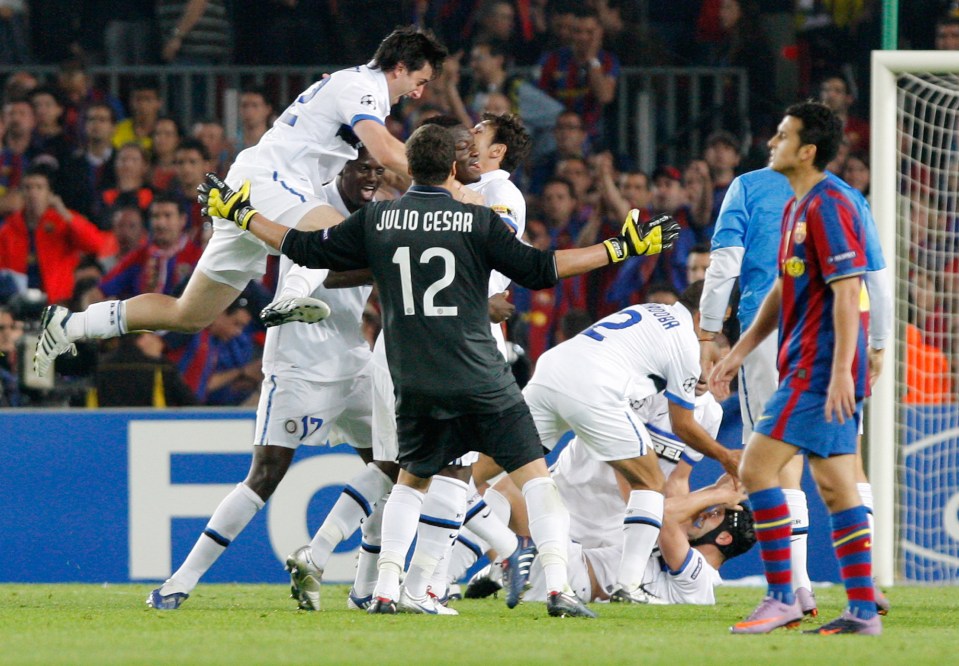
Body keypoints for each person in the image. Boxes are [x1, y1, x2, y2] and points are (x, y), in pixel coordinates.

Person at [198, 123, 679, 618]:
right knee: (536, 479)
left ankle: (386, 589)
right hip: (477, 373)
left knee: (409, 480)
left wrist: (240, 212)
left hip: (413, 376)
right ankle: (558, 587)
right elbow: (539, 269)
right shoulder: (478, 218)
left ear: (407, 166)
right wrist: (621, 248)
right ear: (453, 166)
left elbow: (305, 249)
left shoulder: (377, 219)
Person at [33, 26, 449, 378]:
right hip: (269, 182)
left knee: (188, 315)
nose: (418, 92)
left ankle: (70, 324)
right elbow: (388, 151)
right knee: (341, 239)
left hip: (253, 187)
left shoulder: (352, 85)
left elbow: (383, 160)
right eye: (421, 80)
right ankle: (289, 294)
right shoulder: (362, 87)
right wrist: (454, 190)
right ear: (399, 68)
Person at [146, 147, 394, 610]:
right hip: (298, 364)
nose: (371, 177)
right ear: (339, 166)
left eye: (378, 170)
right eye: (363, 167)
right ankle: (178, 583)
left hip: (353, 362)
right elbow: (317, 265)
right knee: (265, 474)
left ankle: (360, 588)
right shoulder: (307, 211)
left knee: (391, 464)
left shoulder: (376, 216)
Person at [709, 101, 882, 635]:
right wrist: (738, 350)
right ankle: (861, 608)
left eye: (782, 135)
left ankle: (784, 594)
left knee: (757, 469)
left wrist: (837, 375)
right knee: (835, 486)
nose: (771, 143)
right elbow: (785, 288)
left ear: (807, 150)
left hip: (817, 367)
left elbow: (849, 288)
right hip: (806, 361)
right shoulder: (796, 207)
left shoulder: (829, 205)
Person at [522, 280, 741, 603]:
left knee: (504, 464)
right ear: (702, 337)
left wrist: (671, 520)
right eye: (707, 360)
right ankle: (626, 583)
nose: (709, 373)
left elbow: (678, 480)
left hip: (614, 528)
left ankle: (468, 568)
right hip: (575, 496)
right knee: (646, 482)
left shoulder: (709, 412)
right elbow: (628, 467)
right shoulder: (653, 379)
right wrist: (723, 469)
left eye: (721, 367)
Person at [0, 165, 113, 306]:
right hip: (17, 302)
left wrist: (65, 213)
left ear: (50, 194)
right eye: (28, 188)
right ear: (22, 193)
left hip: (58, 301)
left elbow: (95, 244)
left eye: (39, 187)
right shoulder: (9, 228)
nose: (33, 193)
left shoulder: (62, 221)